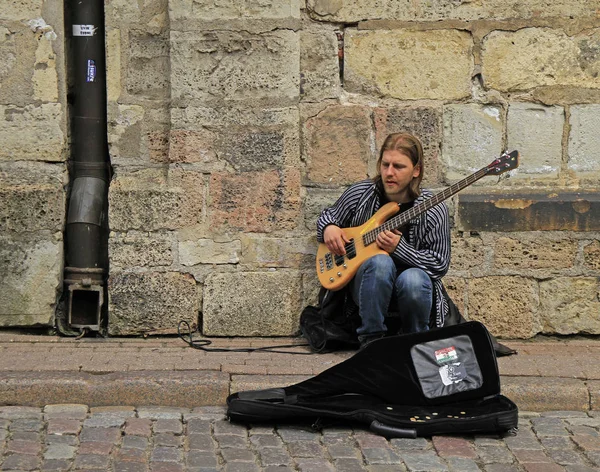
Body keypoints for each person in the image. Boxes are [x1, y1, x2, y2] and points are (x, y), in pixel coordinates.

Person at [316, 132, 451, 348]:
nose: (389, 173)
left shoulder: (433, 208)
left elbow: (439, 265)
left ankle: (415, 344)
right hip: (365, 290)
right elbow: (328, 216)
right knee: (380, 263)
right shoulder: (362, 193)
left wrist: (400, 249)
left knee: (413, 279)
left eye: (398, 167)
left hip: (412, 295)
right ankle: (371, 343)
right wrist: (329, 228)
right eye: (385, 164)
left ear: (416, 170)